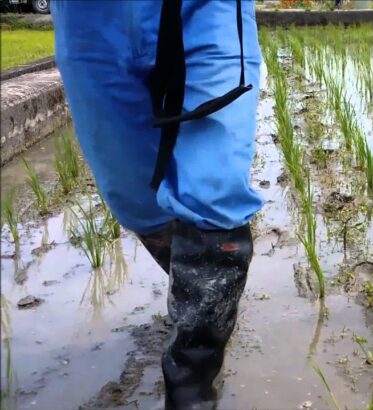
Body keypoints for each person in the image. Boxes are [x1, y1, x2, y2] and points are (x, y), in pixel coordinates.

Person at [50, 1, 261, 408]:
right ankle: (197, 298)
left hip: (205, 9)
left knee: (215, 191)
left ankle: (191, 389)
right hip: (90, 17)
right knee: (135, 199)